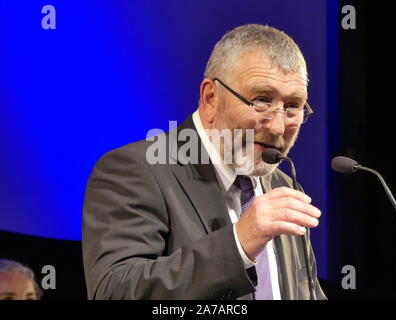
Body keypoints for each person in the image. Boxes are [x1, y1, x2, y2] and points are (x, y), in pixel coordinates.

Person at [82, 24, 326, 300]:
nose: (279, 127)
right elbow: (115, 292)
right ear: (211, 98)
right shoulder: (135, 170)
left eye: (293, 106)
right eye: (261, 100)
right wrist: (239, 243)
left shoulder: (284, 187)